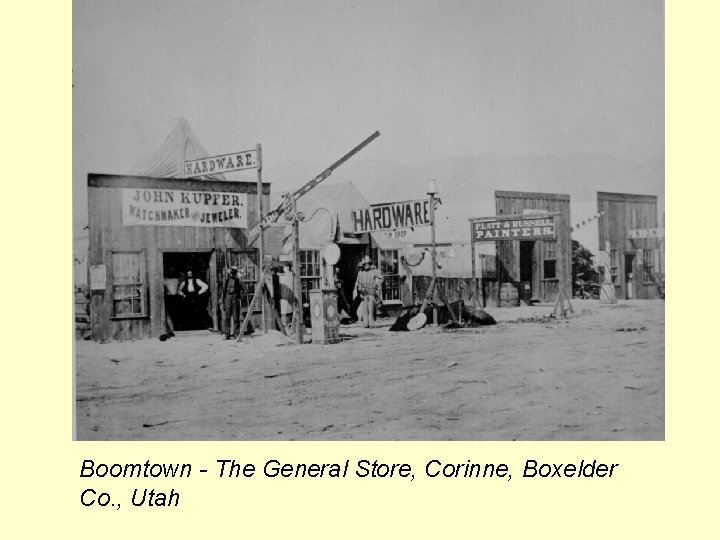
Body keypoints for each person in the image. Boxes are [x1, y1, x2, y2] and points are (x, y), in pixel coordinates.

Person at [354, 256, 383, 328]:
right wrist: (360, 292)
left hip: (371, 292)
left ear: (370, 265)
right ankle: (366, 324)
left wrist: (376, 284)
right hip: (364, 292)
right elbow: (360, 283)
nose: (366, 266)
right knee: (364, 309)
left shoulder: (373, 272)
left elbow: (381, 278)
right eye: (364, 264)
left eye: (367, 264)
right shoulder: (361, 273)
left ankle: (371, 324)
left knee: (371, 308)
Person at [221, 266, 244, 339]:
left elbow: (244, 290)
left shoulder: (238, 280)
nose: (231, 274)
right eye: (230, 273)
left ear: (235, 273)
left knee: (235, 316)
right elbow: (223, 292)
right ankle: (226, 334)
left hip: (235, 297)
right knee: (227, 317)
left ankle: (236, 333)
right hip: (227, 298)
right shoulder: (226, 280)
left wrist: (239, 297)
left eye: (233, 273)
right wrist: (223, 301)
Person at [160, 270, 180, 340]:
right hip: (174, 297)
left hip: (170, 298)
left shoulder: (166, 280)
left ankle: (171, 330)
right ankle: (172, 330)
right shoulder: (176, 280)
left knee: (169, 315)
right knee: (172, 315)